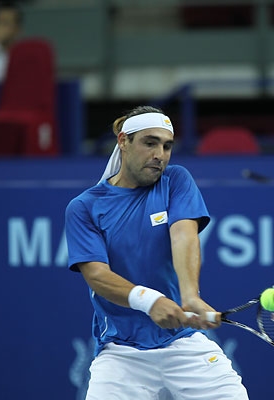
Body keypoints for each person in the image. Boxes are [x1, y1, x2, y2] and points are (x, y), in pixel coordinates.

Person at [65, 106, 249, 399]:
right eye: (150, 143)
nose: (159, 154)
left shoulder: (176, 180)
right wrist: (150, 301)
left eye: (166, 146)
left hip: (184, 343)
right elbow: (97, 276)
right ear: (123, 141)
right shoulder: (84, 207)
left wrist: (189, 296)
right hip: (120, 353)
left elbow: (184, 236)